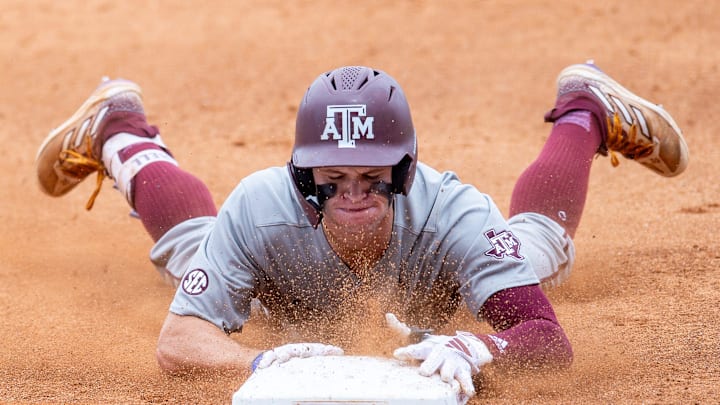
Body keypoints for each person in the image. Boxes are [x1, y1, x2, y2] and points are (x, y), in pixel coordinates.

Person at [35, 62, 688, 400]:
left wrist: (482, 349)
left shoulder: (454, 214)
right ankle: (120, 130)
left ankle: (584, 110)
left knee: (542, 252)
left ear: (405, 170)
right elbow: (179, 342)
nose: (351, 195)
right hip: (272, 296)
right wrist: (252, 360)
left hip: (449, 290)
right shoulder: (263, 205)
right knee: (189, 250)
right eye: (331, 178)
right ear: (301, 174)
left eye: (371, 179)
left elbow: (549, 340)